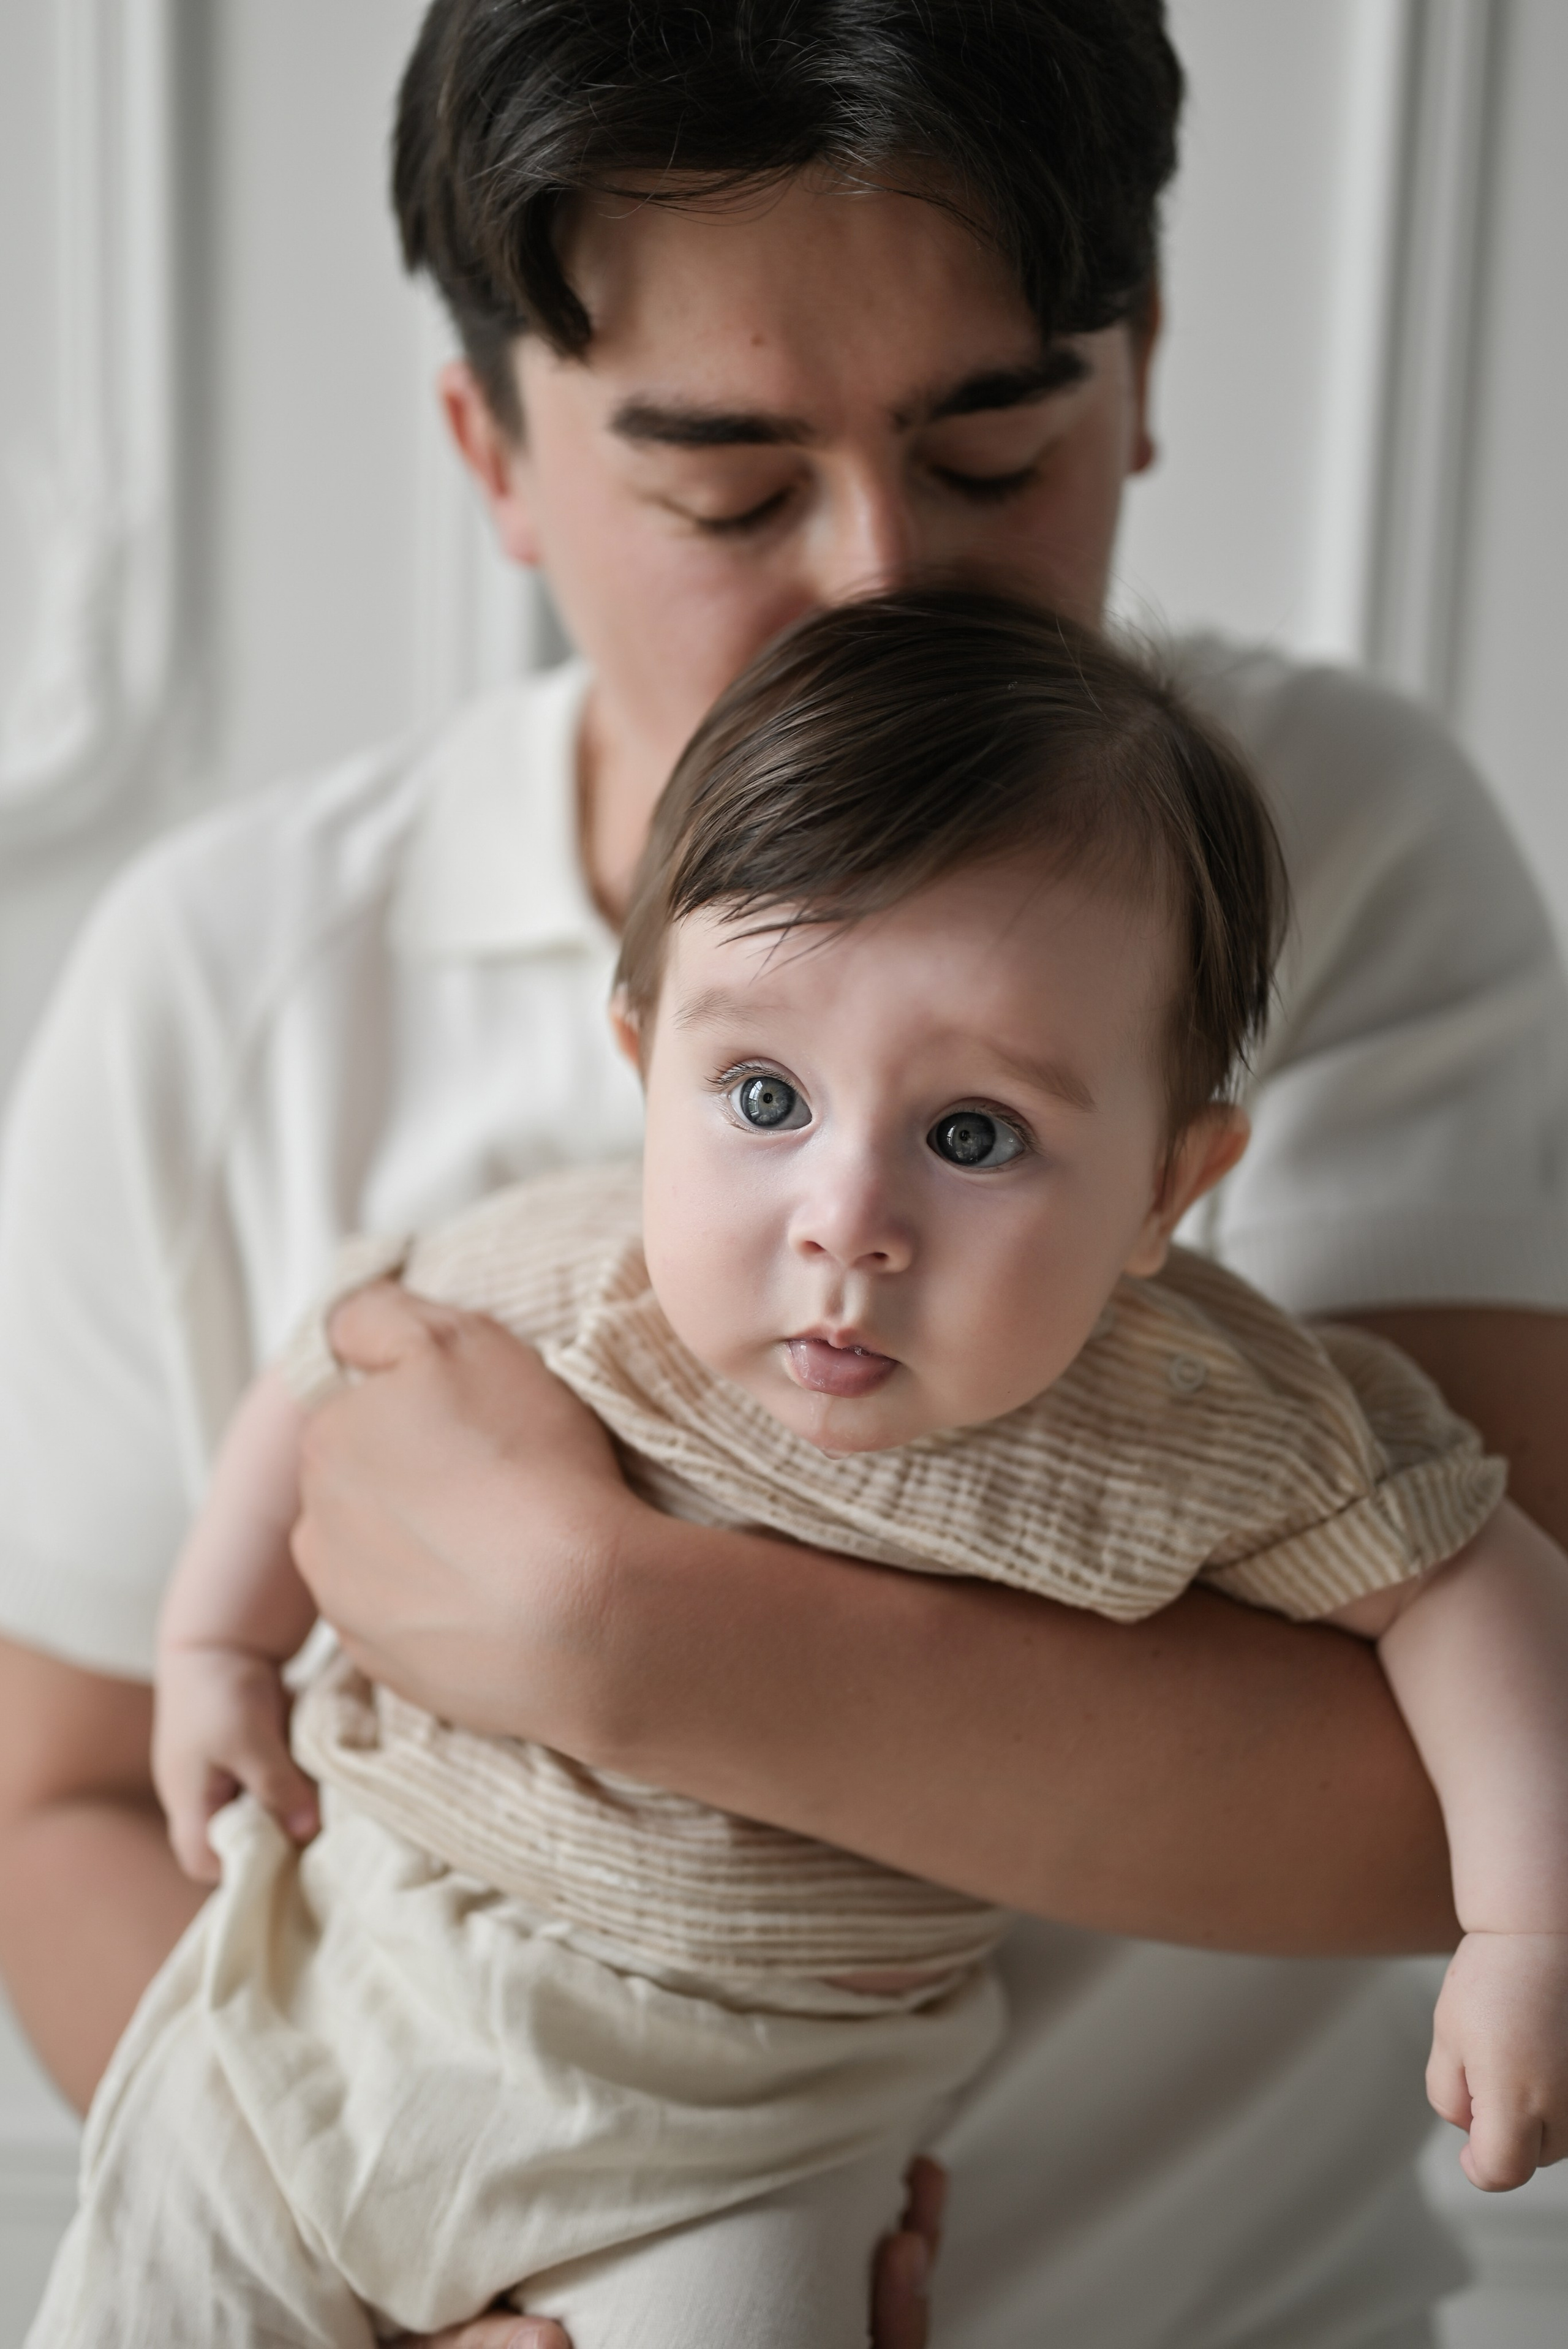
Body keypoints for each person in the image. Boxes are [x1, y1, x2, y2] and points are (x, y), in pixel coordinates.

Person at [1, 6, 1565, 2345]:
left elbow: (1429, 1765)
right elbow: (61, 1791)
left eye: (997, 445)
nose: (879, 590)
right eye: (728, 491)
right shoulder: (241, 977)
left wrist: (605, 1631)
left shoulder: (1326, 860)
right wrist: (396, 2285)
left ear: (1137, 370)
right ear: (494, 455)